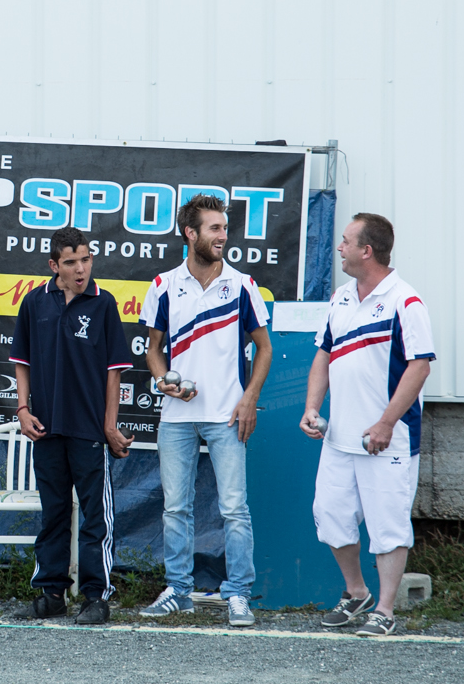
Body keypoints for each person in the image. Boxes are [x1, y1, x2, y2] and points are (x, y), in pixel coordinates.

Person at [136, 194, 273, 628]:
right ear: (189, 234)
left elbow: (265, 349)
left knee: (234, 509)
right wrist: (163, 382)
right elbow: (152, 350)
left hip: (227, 416)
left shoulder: (243, 285)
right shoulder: (162, 285)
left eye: (225, 228)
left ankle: (237, 594)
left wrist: (248, 398)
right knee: (175, 508)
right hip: (176, 418)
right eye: (214, 228)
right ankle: (178, 590)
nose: (223, 235)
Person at [299, 212, 434, 637]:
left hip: (387, 440)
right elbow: (323, 355)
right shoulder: (340, 297)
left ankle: (387, 611)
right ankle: (357, 594)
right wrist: (311, 408)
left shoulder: (406, 301)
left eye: (345, 241)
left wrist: (385, 423)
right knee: (329, 515)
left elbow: (419, 367)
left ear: (366, 250)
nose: (339, 247)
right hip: (338, 437)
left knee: (388, 525)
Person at [9, 226, 134, 625]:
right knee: (54, 513)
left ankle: (97, 597)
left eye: (86, 260)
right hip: (45, 426)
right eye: (70, 262)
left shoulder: (104, 303)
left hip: (87, 430)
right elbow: (22, 362)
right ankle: (51, 594)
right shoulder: (34, 303)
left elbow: (115, 373)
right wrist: (23, 409)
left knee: (95, 516)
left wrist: (109, 426)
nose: (80, 269)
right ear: (54, 265)